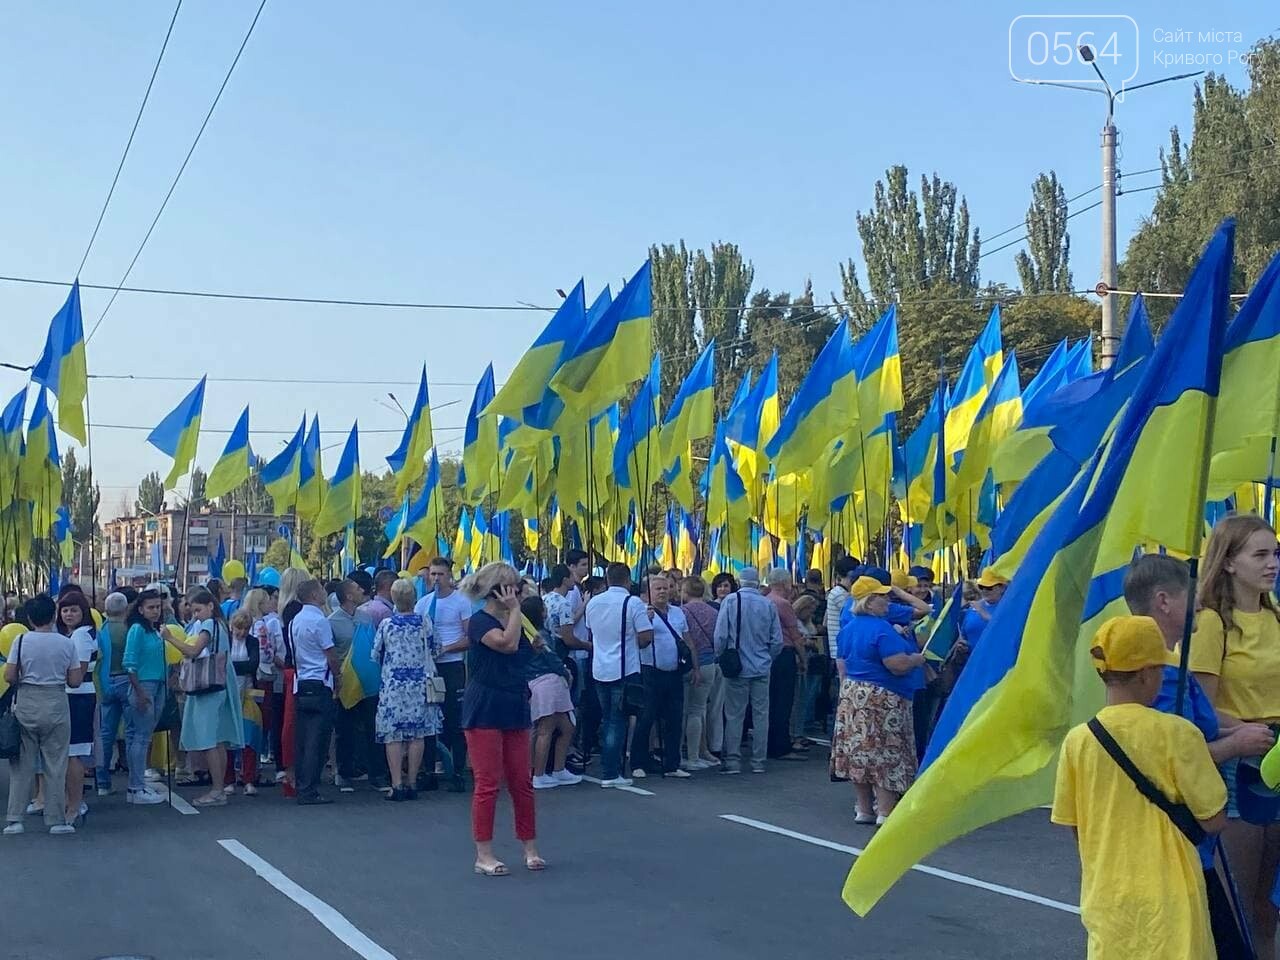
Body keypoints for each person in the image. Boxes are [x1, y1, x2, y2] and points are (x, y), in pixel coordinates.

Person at [1124, 553, 1274, 958]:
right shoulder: (1157, 675)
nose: (1200, 606)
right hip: (1178, 836)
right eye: (1192, 597)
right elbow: (1174, 759)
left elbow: (1196, 732)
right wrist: (1237, 744)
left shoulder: (1170, 666)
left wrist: (1238, 728)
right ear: (1163, 601)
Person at [1052, 616, 1228, 959]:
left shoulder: (1078, 741)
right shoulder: (1179, 733)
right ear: (1147, 673)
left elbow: (1075, 825)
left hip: (1107, 894)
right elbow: (1214, 819)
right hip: (1172, 899)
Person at [1188, 514, 1280, 953]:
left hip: (1277, 757)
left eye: (1275, 553)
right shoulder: (1210, 623)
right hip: (1240, 763)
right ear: (1228, 562)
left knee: (1269, 904)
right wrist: (1244, 730)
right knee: (1237, 900)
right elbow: (1201, 707)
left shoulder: (1276, 617)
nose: (1272, 564)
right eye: (1260, 554)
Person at [458, 562, 543, 875]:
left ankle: (530, 848)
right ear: (500, 591)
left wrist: (533, 645)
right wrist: (515, 612)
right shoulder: (480, 622)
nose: (518, 591)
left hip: (514, 702)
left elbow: (523, 653)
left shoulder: (516, 620)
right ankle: (484, 853)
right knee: (488, 782)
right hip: (485, 706)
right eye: (513, 587)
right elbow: (506, 645)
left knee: (522, 780)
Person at [830, 576, 925, 823]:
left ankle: (864, 809)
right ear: (869, 602)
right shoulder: (881, 629)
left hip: (853, 693)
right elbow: (897, 664)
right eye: (882, 597)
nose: (887, 601)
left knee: (859, 752)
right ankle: (885, 810)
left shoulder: (848, 628)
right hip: (883, 696)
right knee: (885, 752)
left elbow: (842, 664)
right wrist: (917, 659)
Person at [3, 595, 82, 835]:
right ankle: (56, 819)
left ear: (29, 617)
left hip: (27, 700)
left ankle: (15, 818)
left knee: (22, 765)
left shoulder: (21, 640)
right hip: (56, 700)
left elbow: (9, 676)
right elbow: (75, 680)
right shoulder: (66, 643)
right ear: (54, 614)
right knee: (56, 763)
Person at [164, 588, 244, 807]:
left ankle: (217, 789)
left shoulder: (208, 625)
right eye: (193, 610)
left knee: (209, 738)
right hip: (221, 680)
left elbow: (193, 651)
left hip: (208, 685)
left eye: (198, 609)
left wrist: (170, 638)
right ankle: (220, 787)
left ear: (210, 605)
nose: (195, 614)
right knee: (217, 739)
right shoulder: (220, 624)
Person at [373, 578, 442, 801]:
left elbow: (375, 654)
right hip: (419, 684)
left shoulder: (386, 624)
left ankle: (397, 784)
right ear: (414, 598)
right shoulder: (425, 622)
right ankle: (412, 782)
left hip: (393, 686)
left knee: (393, 736)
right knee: (417, 734)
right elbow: (436, 647)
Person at [588, 562, 655, 788]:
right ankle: (610, 772)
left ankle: (611, 768)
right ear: (627, 580)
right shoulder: (633, 602)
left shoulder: (594, 602)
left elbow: (592, 631)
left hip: (599, 668)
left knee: (608, 718)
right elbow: (645, 637)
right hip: (625, 668)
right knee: (617, 721)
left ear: (607, 579)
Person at [715, 567, 783, 775]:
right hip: (762, 665)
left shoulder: (731, 601)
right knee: (761, 714)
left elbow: (720, 636)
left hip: (737, 666)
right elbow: (777, 641)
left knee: (735, 714)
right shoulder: (767, 604)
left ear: (739, 581)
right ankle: (758, 761)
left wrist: (723, 657)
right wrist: (767, 658)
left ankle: (733, 760)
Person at [415, 557, 472, 792]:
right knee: (429, 719)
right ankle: (429, 770)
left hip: (452, 665)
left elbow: (469, 638)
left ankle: (457, 770)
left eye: (440, 574)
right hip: (429, 667)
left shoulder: (461, 601)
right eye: (433, 574)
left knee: (454, 718)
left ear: (450, 576)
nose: (436, 579)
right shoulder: (423, 603)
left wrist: (446, 648)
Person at [288, 579, 342, 805]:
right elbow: (330, 654)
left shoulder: (295, 620)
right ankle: (309, 789)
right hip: (320, 682)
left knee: (302, 738)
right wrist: (338, 677)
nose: (324, 594)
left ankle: (301, 783)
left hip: (301, 683)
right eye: (321, 590)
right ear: (313, 595)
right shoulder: (320, 621)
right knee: (317, 740)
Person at [631, 575, 690, 780]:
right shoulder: (642, 613)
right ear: (648, 592)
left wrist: (695, 666)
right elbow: (637, 641)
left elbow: (686, 639)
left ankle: (672, 763)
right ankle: (638, 762)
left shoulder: (678, 613)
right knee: (645, 718)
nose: (663, 592)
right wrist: (645, 622)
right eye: (658, 589)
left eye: (665, 588)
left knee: (674, 719)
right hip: (650, 671)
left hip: (674, 672)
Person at [331, 579, 386, 792]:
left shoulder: (366, 617)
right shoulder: (332, 621)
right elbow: (332, 652)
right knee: (345, 730)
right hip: (346, 683)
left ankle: (377, 773)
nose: (361, 590)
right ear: (349, 596)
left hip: (368, 681)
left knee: (373, 727)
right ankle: (344, 773)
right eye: (356, 588)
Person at [523, 596, 580, 789]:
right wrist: (565, 672)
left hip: (540, 681)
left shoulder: (526, 634)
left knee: (566, 727)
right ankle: (538, 774)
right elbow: (551, 657)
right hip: (548, 680)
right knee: (545, 729)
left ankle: (558, 769)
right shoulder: (540, 635)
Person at [119, 588, 169, 805]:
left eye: (158, 607)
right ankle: (136, 786)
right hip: (144, 685)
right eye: (151, 607)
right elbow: (129, 663)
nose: (155, 611)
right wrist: (139, 691)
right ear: (140, 609)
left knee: (139, 736)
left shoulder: (152, 629)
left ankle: (136, 783)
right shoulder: (137, 629)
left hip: (157, 683)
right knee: (140, 737)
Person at [56, 592, 98, 827]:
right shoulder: (73, 634)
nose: (68, 614)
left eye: (73, 610)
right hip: (71, 697)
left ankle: (74, 805)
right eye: (65, 610)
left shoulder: (81, 636)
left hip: (78, 697)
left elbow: (77, 675)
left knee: (73, 754)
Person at [763, 569, 806, 762]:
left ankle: (768, 742)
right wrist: (804, 658)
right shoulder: (783, 604)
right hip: (785, 653)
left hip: (767, 654)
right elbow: (795, 635)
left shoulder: (765, 601)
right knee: (784, 701)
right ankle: (781, 745)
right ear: (784, 583)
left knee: (770, 701)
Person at [680, 576, 720, 770]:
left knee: (681, 710)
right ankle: (694, 756)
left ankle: (677, 753)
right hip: (708, 662)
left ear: (685, 591)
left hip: (685, 664)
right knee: (698, 710)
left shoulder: (681, 612)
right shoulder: (713, 612)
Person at [93, 592, 132, 796]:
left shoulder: (101, 631)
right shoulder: (129, 630)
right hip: (127, 680)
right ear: (125, 609)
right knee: (133, 732)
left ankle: (102, 782)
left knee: (105, 735)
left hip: (106, 681)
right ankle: (135, 781)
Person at [225, 609, 261, 795]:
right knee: (228, 739)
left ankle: (248, 779)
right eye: (239, 628)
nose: (242, 633)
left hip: (248, 694)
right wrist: (241, 668)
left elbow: (253, 665)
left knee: (249, 738)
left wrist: (232, 667)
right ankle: (228, 779)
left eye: (246, 629)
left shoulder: (253, 642)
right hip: (228, 694)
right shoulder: (225, 641)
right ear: (232, 626)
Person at [960, 568, 1008, 651]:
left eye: (989, 587)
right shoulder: (972, 608)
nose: (984, 591)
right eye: (981, 587)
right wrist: (962, 645)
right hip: (972, 661)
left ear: (1002, 588)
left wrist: (984, 614)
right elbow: (964, 635)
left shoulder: (1008, 607)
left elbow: (1008, 631)